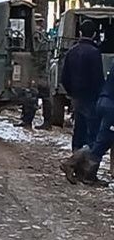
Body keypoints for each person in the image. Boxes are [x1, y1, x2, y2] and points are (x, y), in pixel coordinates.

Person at [62, 58, 114, 186]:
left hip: (103, 101)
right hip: (111, 106)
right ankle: (84, 173)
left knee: (100, 140)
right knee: (102, 142)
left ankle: (76, 167)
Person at [61, 20, 105, 155]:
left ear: (80, 33)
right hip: (91, 98)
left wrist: (71, 93)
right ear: (94, 34)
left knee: (78, 130)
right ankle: (86, 166)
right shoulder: (94, 52)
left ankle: (75, 159)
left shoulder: (72, 51)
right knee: (91, 133)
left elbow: (64, 77)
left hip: (76, 97)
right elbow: (98, 78)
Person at [19, 14, 54, 129]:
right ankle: (46, 122)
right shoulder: (43, 37)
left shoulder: (37, 37)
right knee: (45, 97)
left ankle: (28, 121)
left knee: (31, 96)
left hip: (37, 72)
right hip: (42, 72)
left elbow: (38, 56)